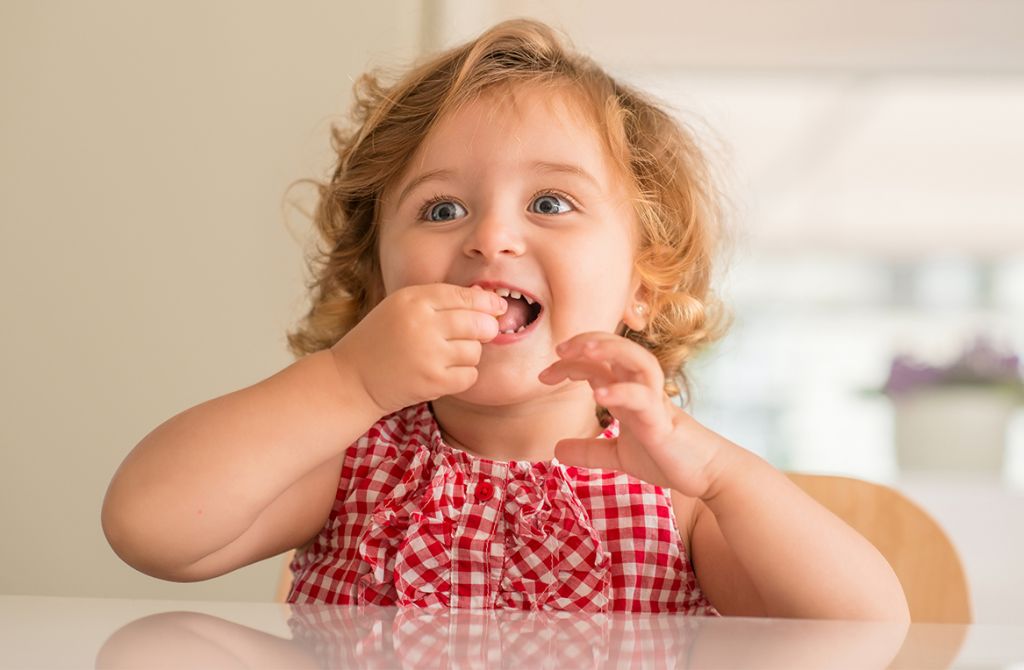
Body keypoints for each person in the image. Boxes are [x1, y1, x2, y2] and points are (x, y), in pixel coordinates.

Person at [102, 18, 909, 619]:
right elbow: (150, 529)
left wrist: (721, 476)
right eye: (442, 207)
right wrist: (346, 379)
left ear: (644, 286)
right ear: (378, 278)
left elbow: (865, 632)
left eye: (551, 202)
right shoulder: (349, 460)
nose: (490, 236)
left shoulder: (677, 495)